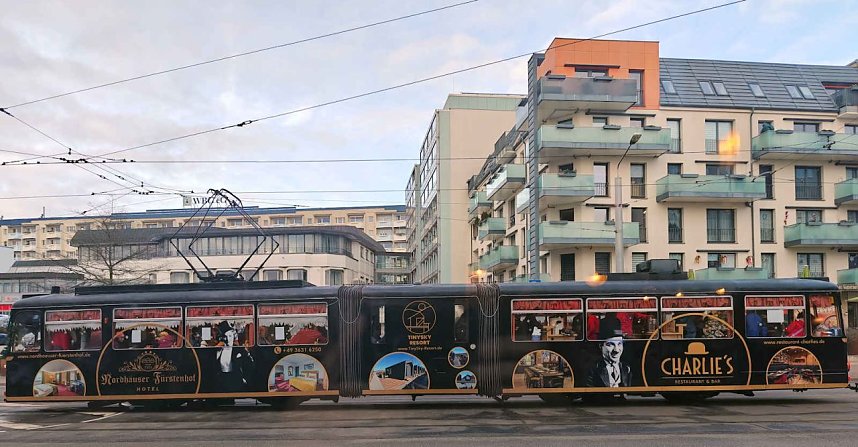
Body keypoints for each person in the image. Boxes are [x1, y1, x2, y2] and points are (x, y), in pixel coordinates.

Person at [214, 321, 254, 393]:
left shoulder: (239, 350)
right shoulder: (219, 351)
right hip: (222, 378)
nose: (229, 338)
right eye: (227, 336)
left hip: (235, 378)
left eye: (231, 336)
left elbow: (249, 363)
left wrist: (245, 378)